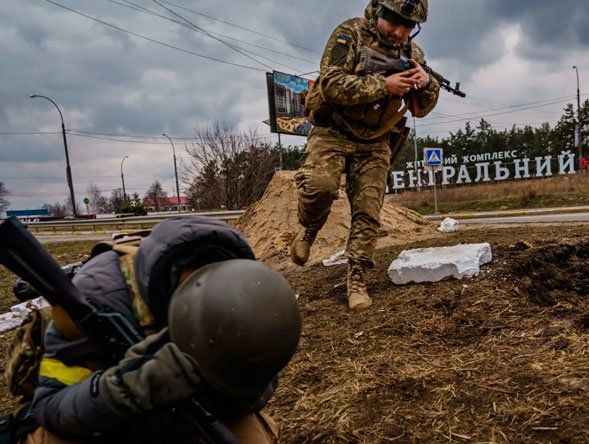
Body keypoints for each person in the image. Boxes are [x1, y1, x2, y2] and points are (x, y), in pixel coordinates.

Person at [20, 215, 301, 443]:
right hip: (107, 412)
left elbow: (257, 389)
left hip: (182, 408)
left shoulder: (252, 299)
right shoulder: (98, 296)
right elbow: (50, 405)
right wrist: (133, 384)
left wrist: (218, 392)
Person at [291, 0, 440, 310]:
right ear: (379, 11)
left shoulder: (413, 54)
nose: (399, 32)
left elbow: (422, 109)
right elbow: (331, 84)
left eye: (407, 26)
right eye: (393, 22)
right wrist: (383, 86)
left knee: (369, 210)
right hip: (333, 131)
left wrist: (427, 84)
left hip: (375, 140)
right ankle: (309, 227)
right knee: (319, 187)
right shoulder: (350, 34)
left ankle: (357, 278)